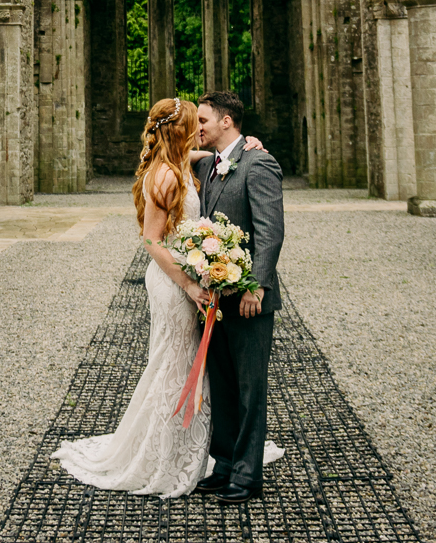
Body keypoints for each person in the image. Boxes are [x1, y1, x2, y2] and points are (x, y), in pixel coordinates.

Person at [52, 97, 216, 498]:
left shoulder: (172, 164)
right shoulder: (165, 177)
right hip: (172, 280)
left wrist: (238, 146)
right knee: (174, 364)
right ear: (179, 131)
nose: (199, 130)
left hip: (176, 276)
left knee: (176, 359)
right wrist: (191, 284)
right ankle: (164, 456)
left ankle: (179, 444)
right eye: (194, 124)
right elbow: (151, 240)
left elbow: (196, 151)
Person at [192, 89, 284, 502]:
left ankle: (248, 475)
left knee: (250, 389)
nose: (198, 127)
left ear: (226, 121)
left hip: (248, 299)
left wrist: (258, 286)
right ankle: (225, 463)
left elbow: (270, 230)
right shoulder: (211, 164)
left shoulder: (258, 162)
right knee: (224, 386)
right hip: (216, 298)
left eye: (203, 121)